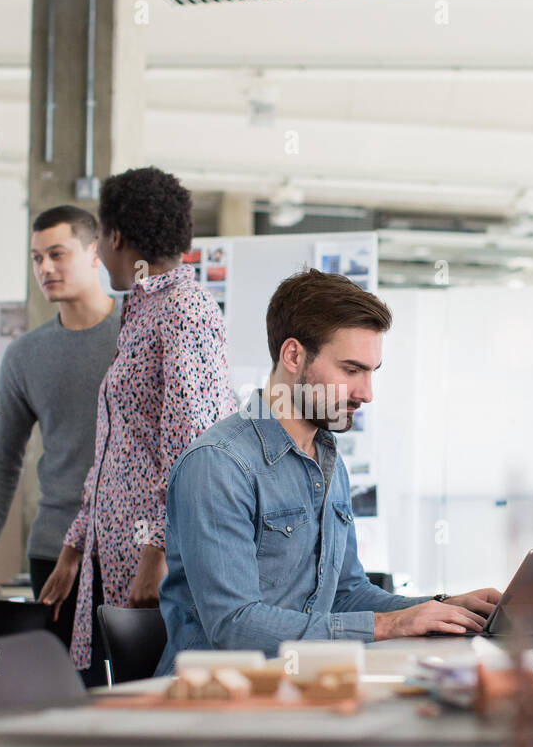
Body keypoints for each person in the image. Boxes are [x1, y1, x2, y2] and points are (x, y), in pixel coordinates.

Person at [155, 269, 503, 674]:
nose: (366, 394)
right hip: (216, 700)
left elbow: (346, 595)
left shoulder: (327, 461)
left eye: (372, 372)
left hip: (305, 687)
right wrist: (388, 625)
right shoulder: (218, 464)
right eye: (351, 370)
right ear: (293, 356)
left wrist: (441, 608)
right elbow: (235, 626)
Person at [38, 167, 236, 685]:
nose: (99, 252)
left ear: (117, 237)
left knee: (153, 720)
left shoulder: (182, 313)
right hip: (118, 556)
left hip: (156, 570)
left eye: (100, 237)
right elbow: (118, 449)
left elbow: (193, 452)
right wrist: (76, 543)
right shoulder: (142, 308)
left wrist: (156, 554)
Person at [0, 206, 120, 652]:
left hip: (130, 546)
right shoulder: (24, 356)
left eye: (57, 254)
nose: (45, 268)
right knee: (67, 695)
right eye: (36, 258)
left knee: (133, 695)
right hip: (54, 551)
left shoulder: (136, 334)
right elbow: (2, 459)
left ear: (94, 253)